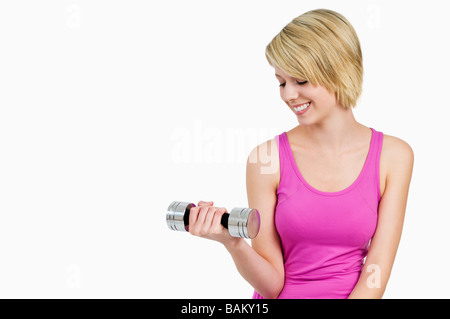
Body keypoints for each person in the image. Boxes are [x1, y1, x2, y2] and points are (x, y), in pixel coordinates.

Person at [187, 9, 414, 299]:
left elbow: (376, 275)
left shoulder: (394, 156)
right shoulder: (266, 159)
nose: (288, 95)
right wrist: (233, 243)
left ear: (340, 71)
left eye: (301, 81)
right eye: (281, 82)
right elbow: (271, 284)